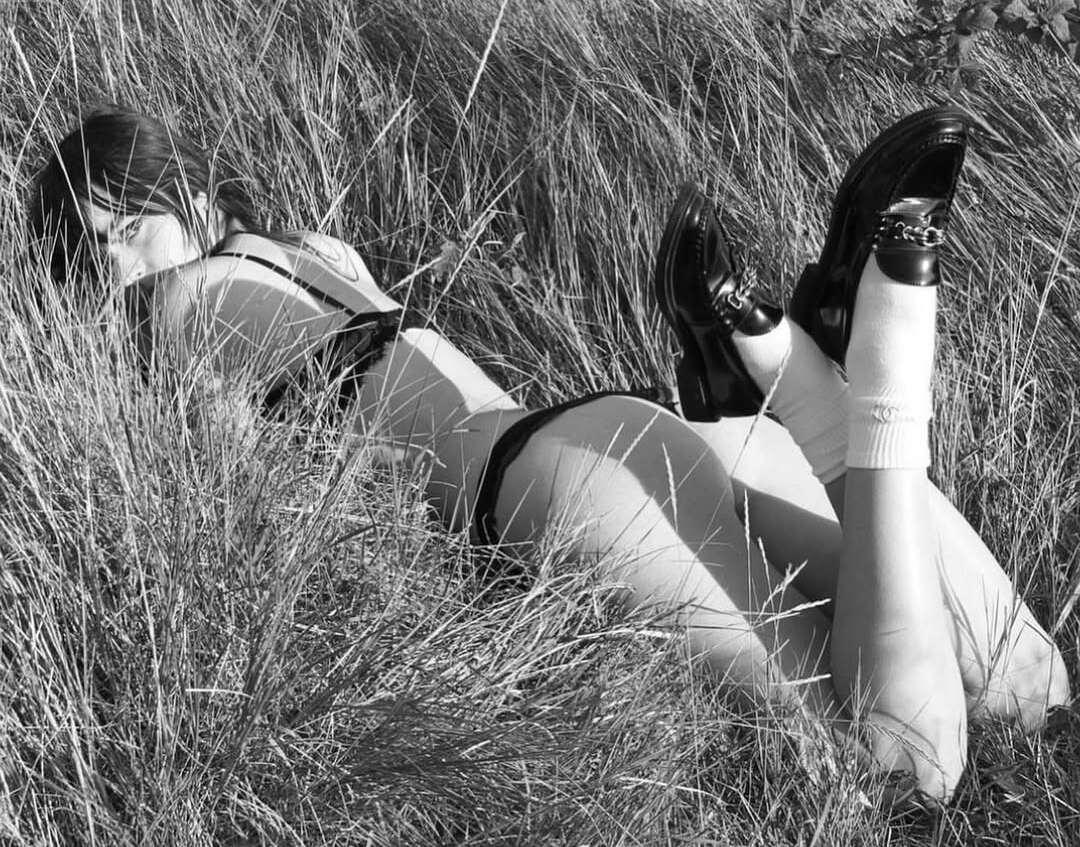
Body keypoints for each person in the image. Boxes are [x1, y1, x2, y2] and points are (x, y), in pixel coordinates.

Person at [30, 104, 1069, 803]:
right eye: (88, 249)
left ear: (188, 198)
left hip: (547, 479)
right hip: (646, 428)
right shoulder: (316, 251)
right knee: (1026, 684)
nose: (112, 262)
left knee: (897, 764)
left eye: (121, 223)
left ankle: (860, 367)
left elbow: (236, 521)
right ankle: (795, 371)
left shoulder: (169, 310)